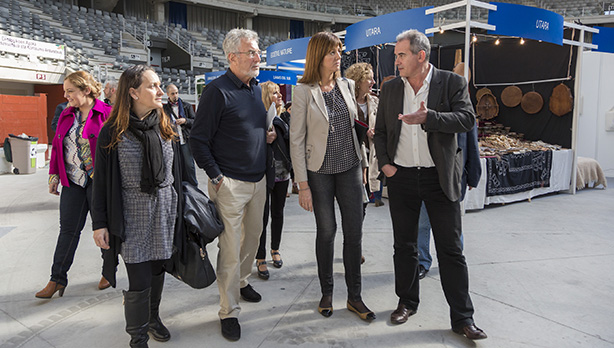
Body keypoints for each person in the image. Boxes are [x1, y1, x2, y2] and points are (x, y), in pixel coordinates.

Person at [373, 29, 487, 339]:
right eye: (396, 55)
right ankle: (407, 302)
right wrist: (385, 165)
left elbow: (467, 119)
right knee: (405, 247)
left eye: (401, 55)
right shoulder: (391, 89)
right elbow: (380, 131)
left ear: (420, 56)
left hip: (440, 178)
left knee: (450, 251)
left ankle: (463, 318)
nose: (395, 61)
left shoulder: (451, 82)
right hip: (403, 178)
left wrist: (431, 118)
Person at [190, 28, 274, 342]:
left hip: (258, 181)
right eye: (251, 52)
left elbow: (250, 129)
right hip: (229, 184)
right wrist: (217, 178)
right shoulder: (216, 91)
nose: (257, 58)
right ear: (232, 57)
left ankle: (241, 282)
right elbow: (198, 141)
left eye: (258, 51)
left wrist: (269, 136)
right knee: (229, 250)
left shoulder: (255, 90)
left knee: (251, 242)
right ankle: (228, 311)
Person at [92, 64, 183, 347]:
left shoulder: (164, 122)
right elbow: (102, 183)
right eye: (152, 86)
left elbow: (181, 172)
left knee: (158, 271)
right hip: (131, 214)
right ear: (132, 92)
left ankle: (153, 317)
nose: (159, 90)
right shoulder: (112, 132)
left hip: (165, 210)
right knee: (139, 278)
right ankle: (138, 338)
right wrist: (100, 224)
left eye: (159, 85)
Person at [289, 31, 374, 322]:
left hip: (350, 168)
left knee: (355, 232)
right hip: (319, 173)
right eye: (332, 53)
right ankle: (327, 292)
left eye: (339, 51)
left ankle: (355, 297)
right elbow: (296, 140)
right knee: (326, 232)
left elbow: (354, 126)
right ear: (318, 57)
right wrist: (302, 185)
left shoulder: (347, 85)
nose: (338, 57)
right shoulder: (303, 91)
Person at [36, 71, 112, 299]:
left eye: (70, 91)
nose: (66, 96)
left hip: (99, 183)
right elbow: (59, 147)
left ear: (86, 90)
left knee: (103, 228)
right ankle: (57, 279)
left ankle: (108, 271)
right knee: (68, 230)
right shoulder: (65, 114)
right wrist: (54, 175)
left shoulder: (107, 113)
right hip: (72, 181)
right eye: (64, 92)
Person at [417, 123, 481, 279]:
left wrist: (473, 175)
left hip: (453, 176)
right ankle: (423, 261)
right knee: (422, 223)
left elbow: (471, 144)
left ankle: (454, 259)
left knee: (452, 225)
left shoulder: (461, 107)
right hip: (425, 174)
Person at [255, 81, 291, 280]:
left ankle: (275, 249)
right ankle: (260, 257)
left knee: (278, 213)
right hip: (263, 173)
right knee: (261, 216)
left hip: (283, 173)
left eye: (278, 92)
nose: (278, 95)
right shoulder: (259, 117)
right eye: (273, 93)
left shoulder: (284, 116)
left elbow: (293, 140)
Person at [344, 62, 383, 208]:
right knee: (352, 205)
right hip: (351, 159)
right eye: (370, 79)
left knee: (363, 205)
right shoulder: (345, 102)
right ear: (359, 81)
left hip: (370, 158)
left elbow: (382, 126)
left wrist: (376, 133)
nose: (373, 82)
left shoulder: (375, 101)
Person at [163, 83, 198, 185]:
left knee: (189, 165)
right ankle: (179, 185)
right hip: (173, 141)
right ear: (168, 94)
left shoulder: (186, 106)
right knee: (175, 165)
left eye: (177, 93)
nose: (175, 96)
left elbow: (195, 122)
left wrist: (185, 121)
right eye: (173, 94)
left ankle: (194, 187)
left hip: (185, 139)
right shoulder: (165, 109)